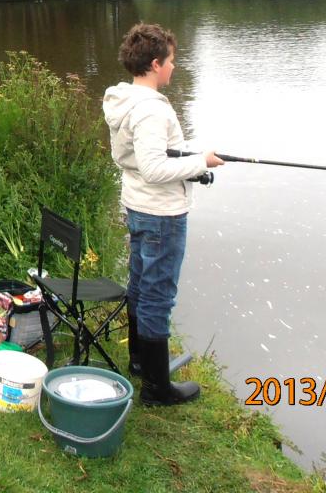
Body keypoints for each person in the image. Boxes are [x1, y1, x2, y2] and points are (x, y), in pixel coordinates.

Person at [102, 22, 223, 406]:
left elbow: (146, 155)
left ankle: (141, 362)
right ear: (156, 64)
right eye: (171, 61)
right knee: (157, 296)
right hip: (161, 214)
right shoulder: (152, 111)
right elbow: (155, 168)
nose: (174, 67)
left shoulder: (125, 100)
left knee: (140, 285)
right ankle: (157, 388)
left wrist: (194, 155)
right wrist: (199, 163)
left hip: (138, 206)